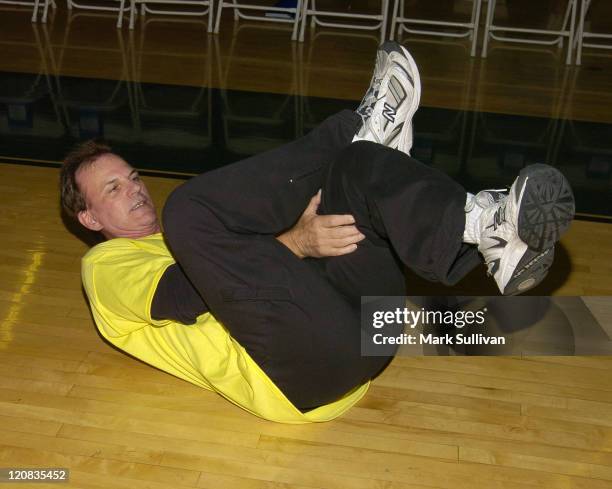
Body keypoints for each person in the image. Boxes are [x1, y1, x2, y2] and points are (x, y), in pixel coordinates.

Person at [60, 42, 575, 423]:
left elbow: (260, 270)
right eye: (112, 189)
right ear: (89, 219)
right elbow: (180, 295)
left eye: (132, 178)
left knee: (353, 170)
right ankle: (356, 128)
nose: (133, 190)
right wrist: (296, 242)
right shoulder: (102, 270)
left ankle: (487, 230)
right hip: (300, 375)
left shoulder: (186, 241)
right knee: (189, 209)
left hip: (371, 332)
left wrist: (299, 240)